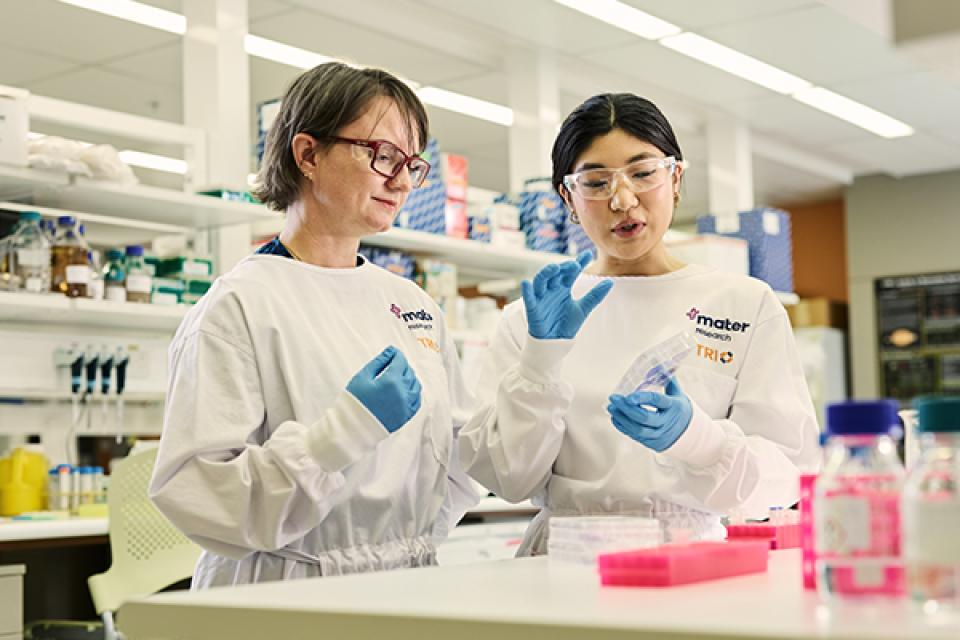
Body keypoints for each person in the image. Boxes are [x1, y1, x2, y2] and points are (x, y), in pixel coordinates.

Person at [150, 62, 478, 587]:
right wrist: (336, 439)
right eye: (382, 155)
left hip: (406, 580)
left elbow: (459, 462)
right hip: (285, 589)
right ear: (308, 154)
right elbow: (194, 491)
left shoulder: (412, 305)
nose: (400, 181)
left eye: (411, 164)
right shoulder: (240, 304)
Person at [459, 93, 820, 555]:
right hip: (565, 559)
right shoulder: (529, 319)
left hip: (689, 558)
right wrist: (540, 363)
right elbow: (509, 478)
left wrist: (699, 440)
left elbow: (788, 474)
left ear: (676, 179)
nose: (622, 199)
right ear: (568, 198)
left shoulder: (745, 304)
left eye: (643, 172)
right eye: (595, 181)